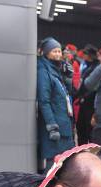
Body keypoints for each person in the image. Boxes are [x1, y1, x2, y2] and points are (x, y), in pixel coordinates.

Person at [37, 37, 75, 172]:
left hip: (65, 126)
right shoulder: (43, 71)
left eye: (59, 51)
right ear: (46, 53)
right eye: (54, 51)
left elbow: (68, 96)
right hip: (55, 130)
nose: (58, 54)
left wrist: (68, 79)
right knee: (52, 169)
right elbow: (44, 100)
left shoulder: (57, 71)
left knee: (65, 167)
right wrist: (51, 126)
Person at [76, 44, 100, 146]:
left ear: (90, 55)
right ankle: (82, 151)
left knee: (89, 130)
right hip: (83, 101)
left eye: (85, 53)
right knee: (81, 128)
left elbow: (92, 86)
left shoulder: (97, 68)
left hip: (91, 103)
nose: (83, 55)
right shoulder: (86, 66)